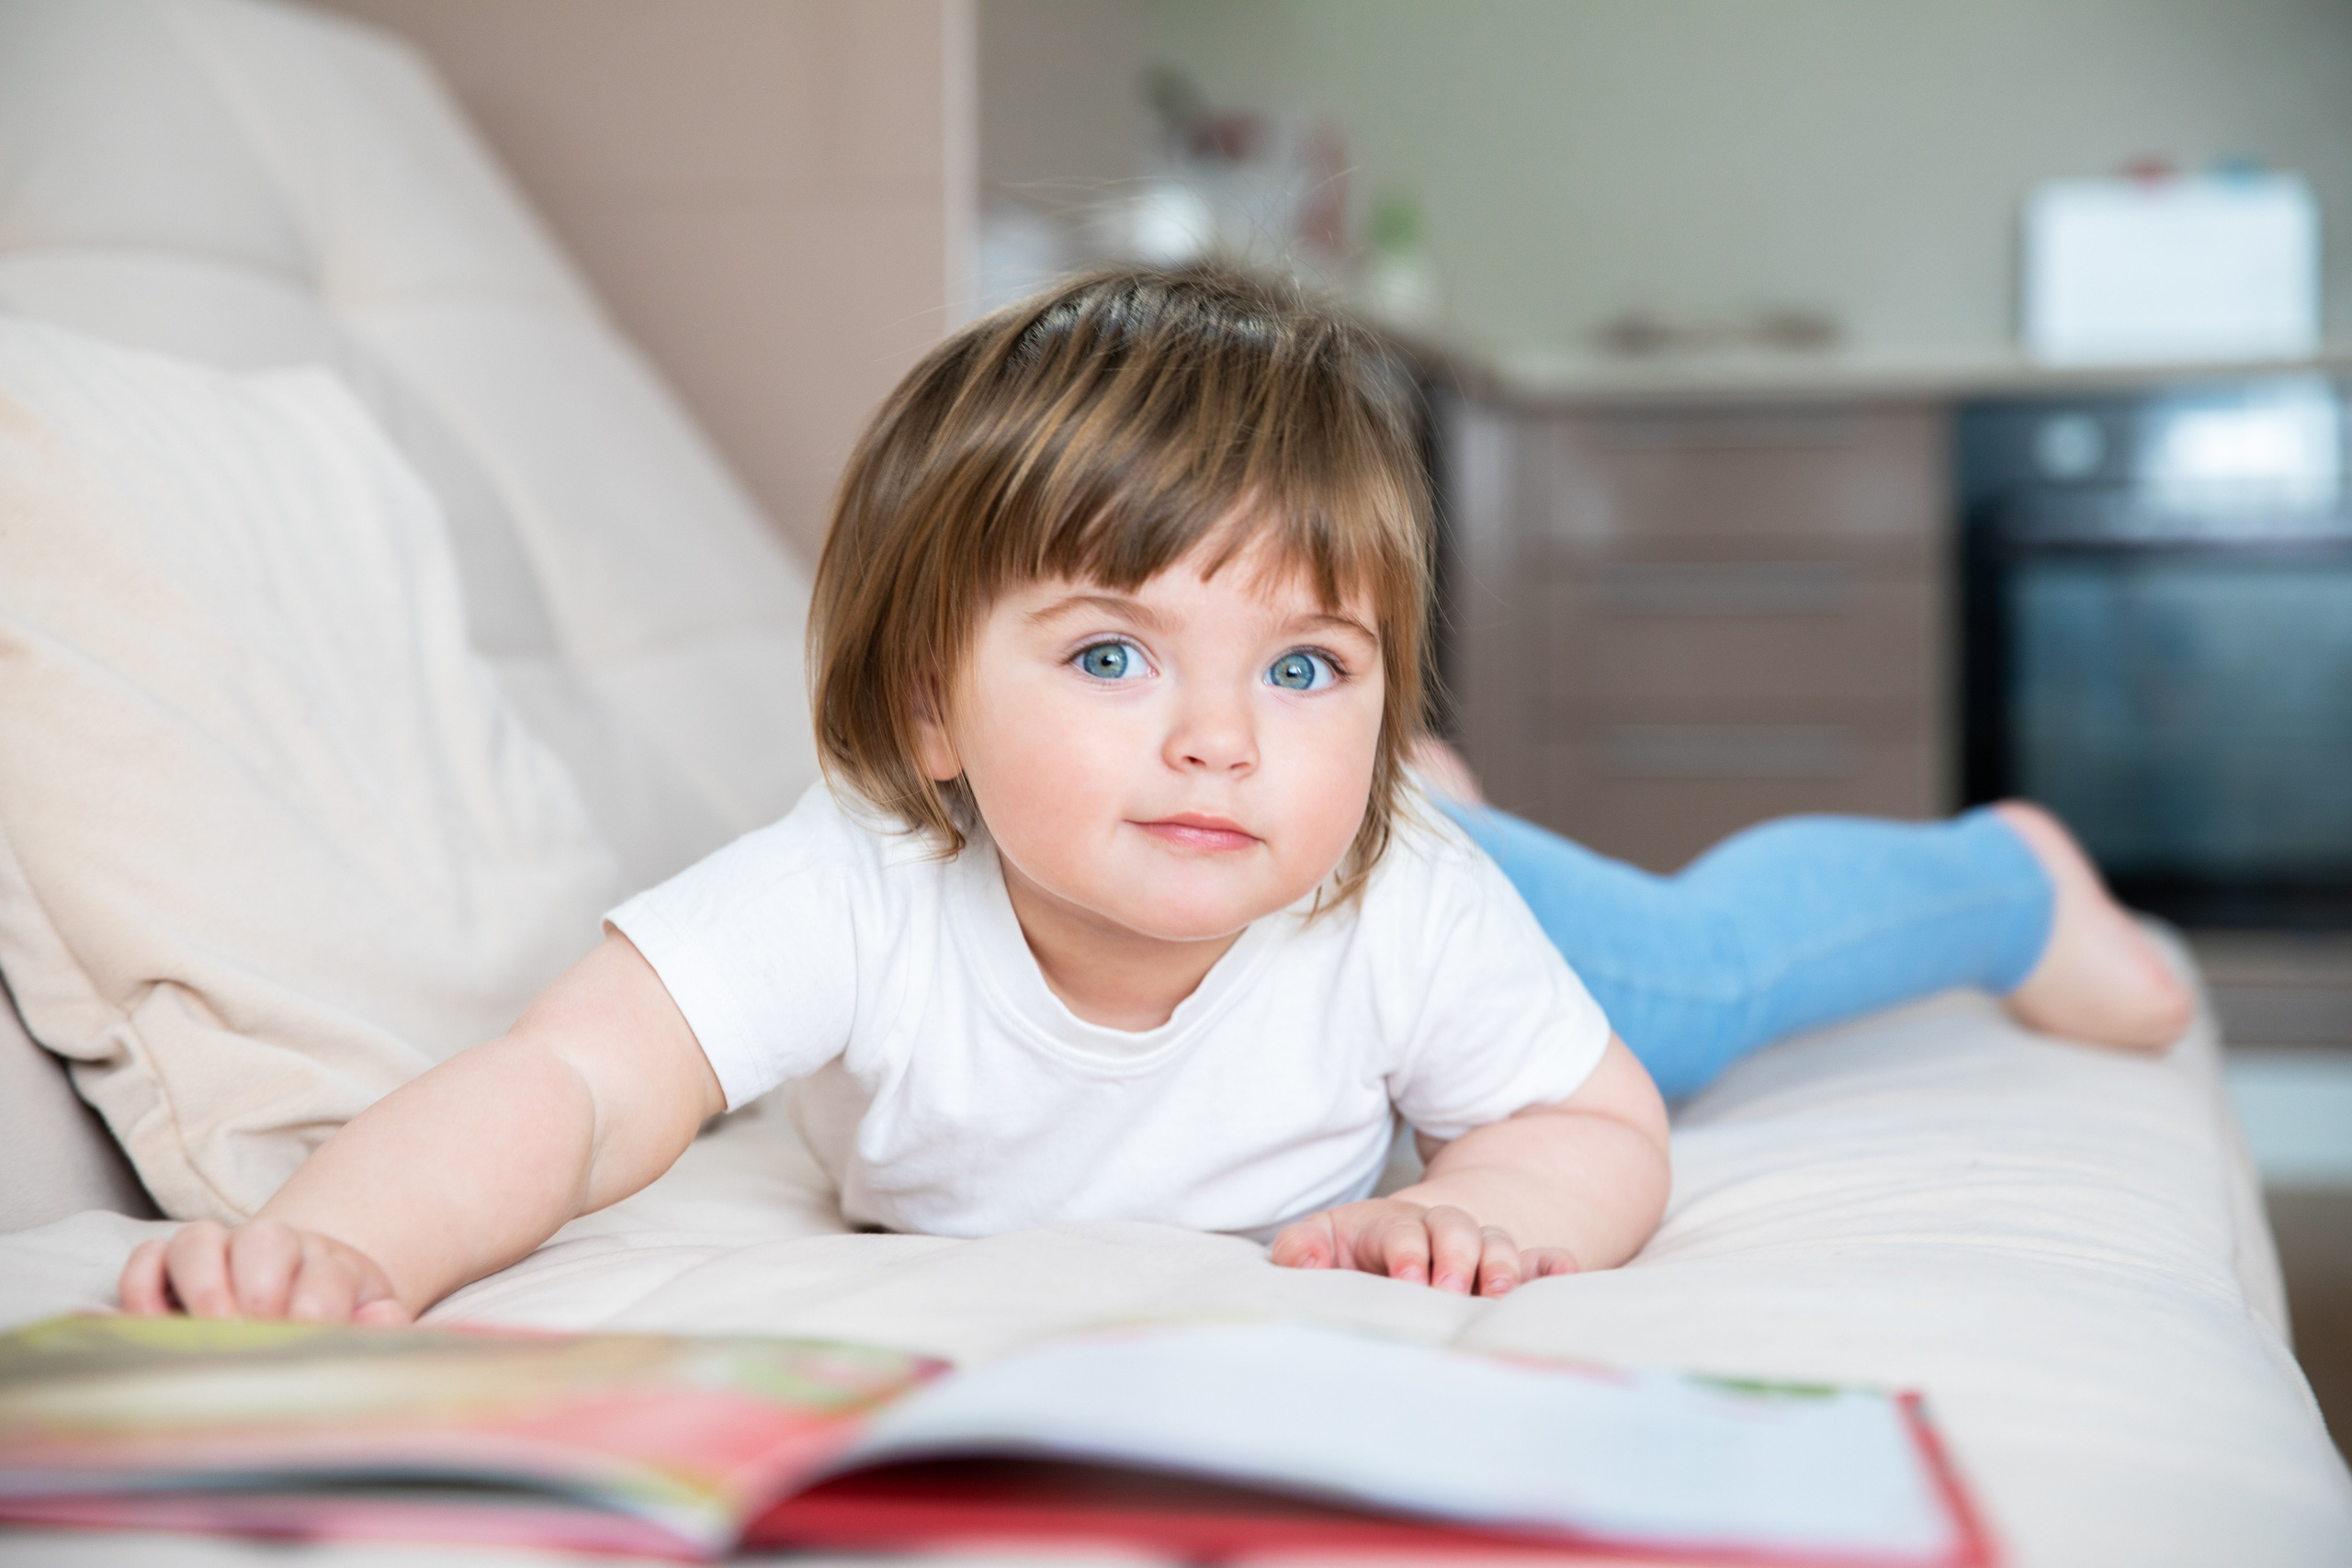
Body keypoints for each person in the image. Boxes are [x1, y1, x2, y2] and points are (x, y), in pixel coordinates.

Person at [117, 265, 2187, 1326]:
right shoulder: (854, 877)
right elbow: (565, 1084)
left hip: (1402, 858)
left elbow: (1583, 1118)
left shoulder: (1386, 896)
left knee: (1700, 980)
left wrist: (1481, 1202)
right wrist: (334, 1243)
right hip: (1343, 830)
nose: (1210, 733)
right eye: (1111, 654)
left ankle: (2000, 878)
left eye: (1304, 662)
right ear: (926, 706)